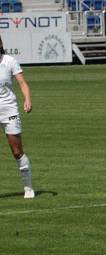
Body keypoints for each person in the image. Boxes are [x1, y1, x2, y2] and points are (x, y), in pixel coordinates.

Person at [0, 37, 33, 199]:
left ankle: (28, 187)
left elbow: (22, 83)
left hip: (8, 110)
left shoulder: (9, 61)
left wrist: (27, 99)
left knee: (17, 151)